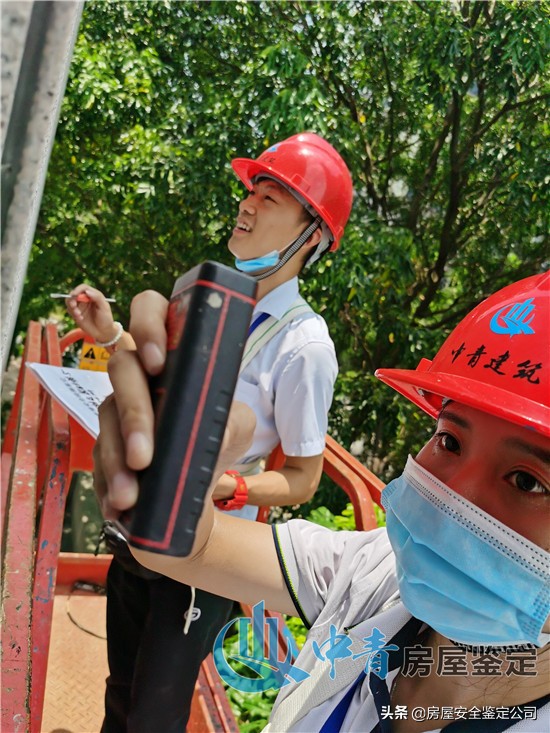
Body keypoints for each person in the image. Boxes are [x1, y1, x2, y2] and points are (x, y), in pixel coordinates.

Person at [95, 272, 550, 731]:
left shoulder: (305, 343)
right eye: (449, 441)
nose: (455, 497)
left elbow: (300, 475)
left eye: (528, 482)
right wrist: (169, 474)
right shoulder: (376, 572)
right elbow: (190, 547)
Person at [68, 132, 354, 732]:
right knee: (120, 689)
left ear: (313, 237)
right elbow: (168, 394)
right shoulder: (206, 300)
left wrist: (227, 485)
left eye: (271, 197)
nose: (247, 204)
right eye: (252, 189)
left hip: (205, 549)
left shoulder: (304, 345)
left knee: (155, 715)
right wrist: (111, 335)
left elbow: (303, 478)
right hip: (140, 529)